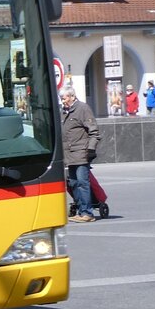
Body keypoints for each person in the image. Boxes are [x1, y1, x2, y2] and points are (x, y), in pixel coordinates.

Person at [61, 85, 101, 223]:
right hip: (69, 155)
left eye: (64, 98)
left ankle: (87, 213)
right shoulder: (64, 111)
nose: (63, 101)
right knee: (73, 183)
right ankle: (80, 210)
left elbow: (94, 132)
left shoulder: (83, 108)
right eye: (61, 99)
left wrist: (91, 149)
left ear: (72, 96)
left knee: (82, 183)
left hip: (81, 153)